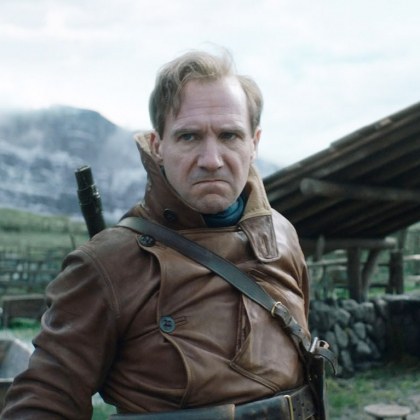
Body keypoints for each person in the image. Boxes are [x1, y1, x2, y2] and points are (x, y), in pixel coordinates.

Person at [2, 49, 316, 419]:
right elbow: (42, 404)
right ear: (158, 146)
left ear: (254, 143)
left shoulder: (282, 235)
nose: (211, 159)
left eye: (229, 135)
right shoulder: (107, 263)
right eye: (189, 136)